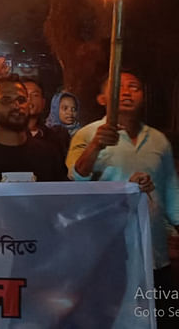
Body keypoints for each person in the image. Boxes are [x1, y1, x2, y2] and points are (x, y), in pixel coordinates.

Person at [67, 71, 179, 313]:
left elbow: (172, 195)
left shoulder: (159, 140)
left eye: (135, 87)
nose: (128, 92)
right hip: (106, 255)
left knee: (163, 316)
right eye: (119, 87)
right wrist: (96, 145)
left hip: (155, 255)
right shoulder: (88, 134)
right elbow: (76, 179)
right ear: (102, 99)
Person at [23, 78, 69, 158]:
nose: (29, 99)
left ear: (43, 103)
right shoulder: (8, 136)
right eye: (25, 95)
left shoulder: (54, 138)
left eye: (35, 95)